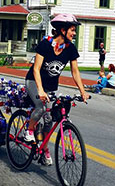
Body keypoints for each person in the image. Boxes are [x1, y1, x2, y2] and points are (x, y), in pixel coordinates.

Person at [24, 13, 88, 166]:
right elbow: (37, 69)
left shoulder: (70, 48)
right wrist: (40, 90)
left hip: (51, 86)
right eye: (72, 30)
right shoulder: (45, 44)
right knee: (40, 107)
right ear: (62, 30)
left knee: (48, 120)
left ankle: (44, 149)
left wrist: (82, 91)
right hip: (34, 81)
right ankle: (30, 130)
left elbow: (75, 72)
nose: (74, 33)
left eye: (74, 30)